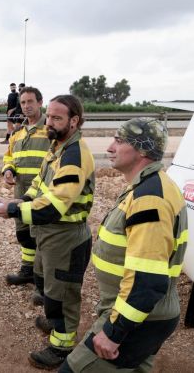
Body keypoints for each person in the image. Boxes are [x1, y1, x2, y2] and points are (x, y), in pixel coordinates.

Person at [61, 118, 187, 373]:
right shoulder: (147, 186)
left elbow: (147, 279)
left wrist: (114, 332)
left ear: (142, 149)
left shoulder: (150, 198)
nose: (109, 147)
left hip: (139, 318)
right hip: (146, 314)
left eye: (119, 141)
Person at [0, 94, 95, 369]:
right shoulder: (57, 145)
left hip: (64, 235)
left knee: (61, 294)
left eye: (56, 118)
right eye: (48, 116)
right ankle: (54, 323)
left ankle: (61, 348)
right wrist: (22, 200)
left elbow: (55, 206)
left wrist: (14, 211)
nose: (49, 122)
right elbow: (40, 183)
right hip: (50, 234)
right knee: (48, 285)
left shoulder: (74, 155)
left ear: (74, 121)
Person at [1, 87, 51, 299]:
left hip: (43, 193)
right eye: (23, 102)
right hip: (21, 190)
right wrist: (8, 170)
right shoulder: (18, 133)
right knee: (23, 233)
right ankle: (27, 270)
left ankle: (43, 283)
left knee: (41, 237)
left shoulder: (51, 130)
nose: (27, 106)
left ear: (40, 103)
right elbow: (9, 157)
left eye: (31, 101)